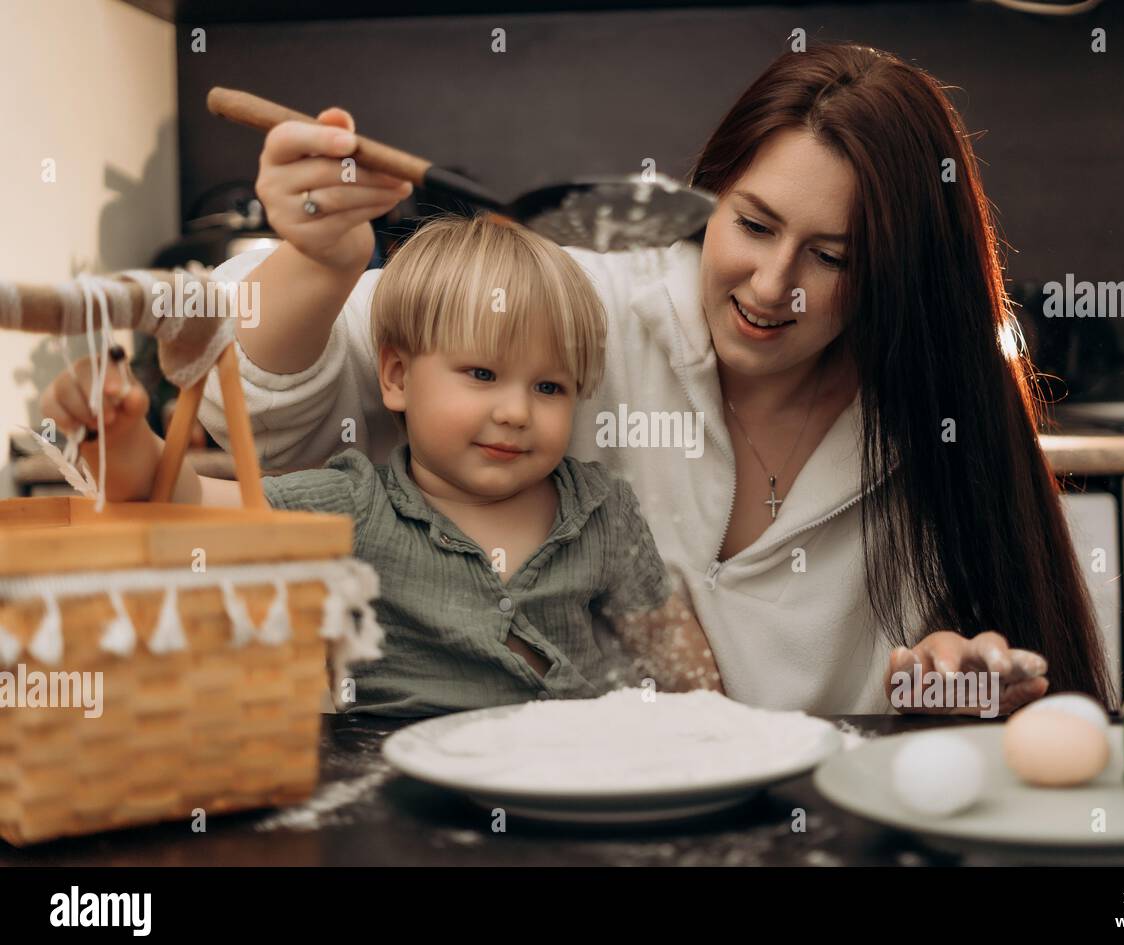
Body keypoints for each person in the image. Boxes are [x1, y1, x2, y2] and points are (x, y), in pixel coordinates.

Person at [195, 42, 1115, 715]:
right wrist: (316, 261)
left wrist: (951, 689)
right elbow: (242, 396)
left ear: (898, 275)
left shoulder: (931, 419)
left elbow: (981, 692)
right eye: (753, 225)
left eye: (832, 257)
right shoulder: (584, 300)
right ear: (707, 196)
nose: (770, 285)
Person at [40, 213, 723, 717]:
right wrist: (115, 430)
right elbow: (184, 500)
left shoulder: (603, 511)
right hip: (391, 791)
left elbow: (671, 649)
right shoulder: (353, 506)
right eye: (482, 373)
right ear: (394, 376)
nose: (517, 411)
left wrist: (714, 735)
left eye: (549, 387)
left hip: (569, 786)